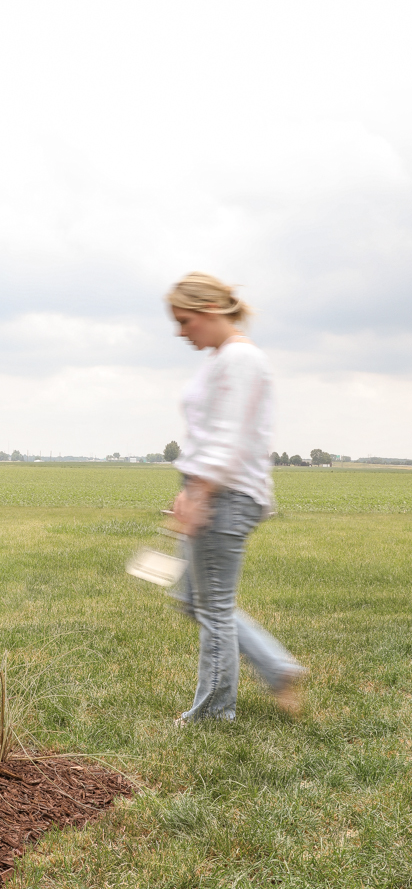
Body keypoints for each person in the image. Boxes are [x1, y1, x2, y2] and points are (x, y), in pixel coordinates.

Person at [165, 272, 304, 721]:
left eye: (185, 320)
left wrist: (199, 492)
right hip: (215, 491)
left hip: (224, 495)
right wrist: (189, 490)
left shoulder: (239, 360)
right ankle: (278, 667)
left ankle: (213, 711)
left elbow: (228, 438)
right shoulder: (226, 358)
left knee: (213, 609)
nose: (181, 331)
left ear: (209, 312)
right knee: (196, 600)